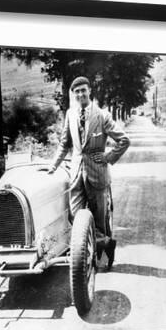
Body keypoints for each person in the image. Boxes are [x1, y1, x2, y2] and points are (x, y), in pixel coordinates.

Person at [48, 76, 130, 266]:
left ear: (89, 91)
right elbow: (64, 143)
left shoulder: (102, 115)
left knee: (99, 221)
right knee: (75, 217)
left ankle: (104, 248)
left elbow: (124, 140)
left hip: (97, 175)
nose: (80, 94)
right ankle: (88, 252)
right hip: (76, 174)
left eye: (83, 90)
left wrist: (108, 157)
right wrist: (52, 166)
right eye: (76, 91)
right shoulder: (70, 114)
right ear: (73, 94)